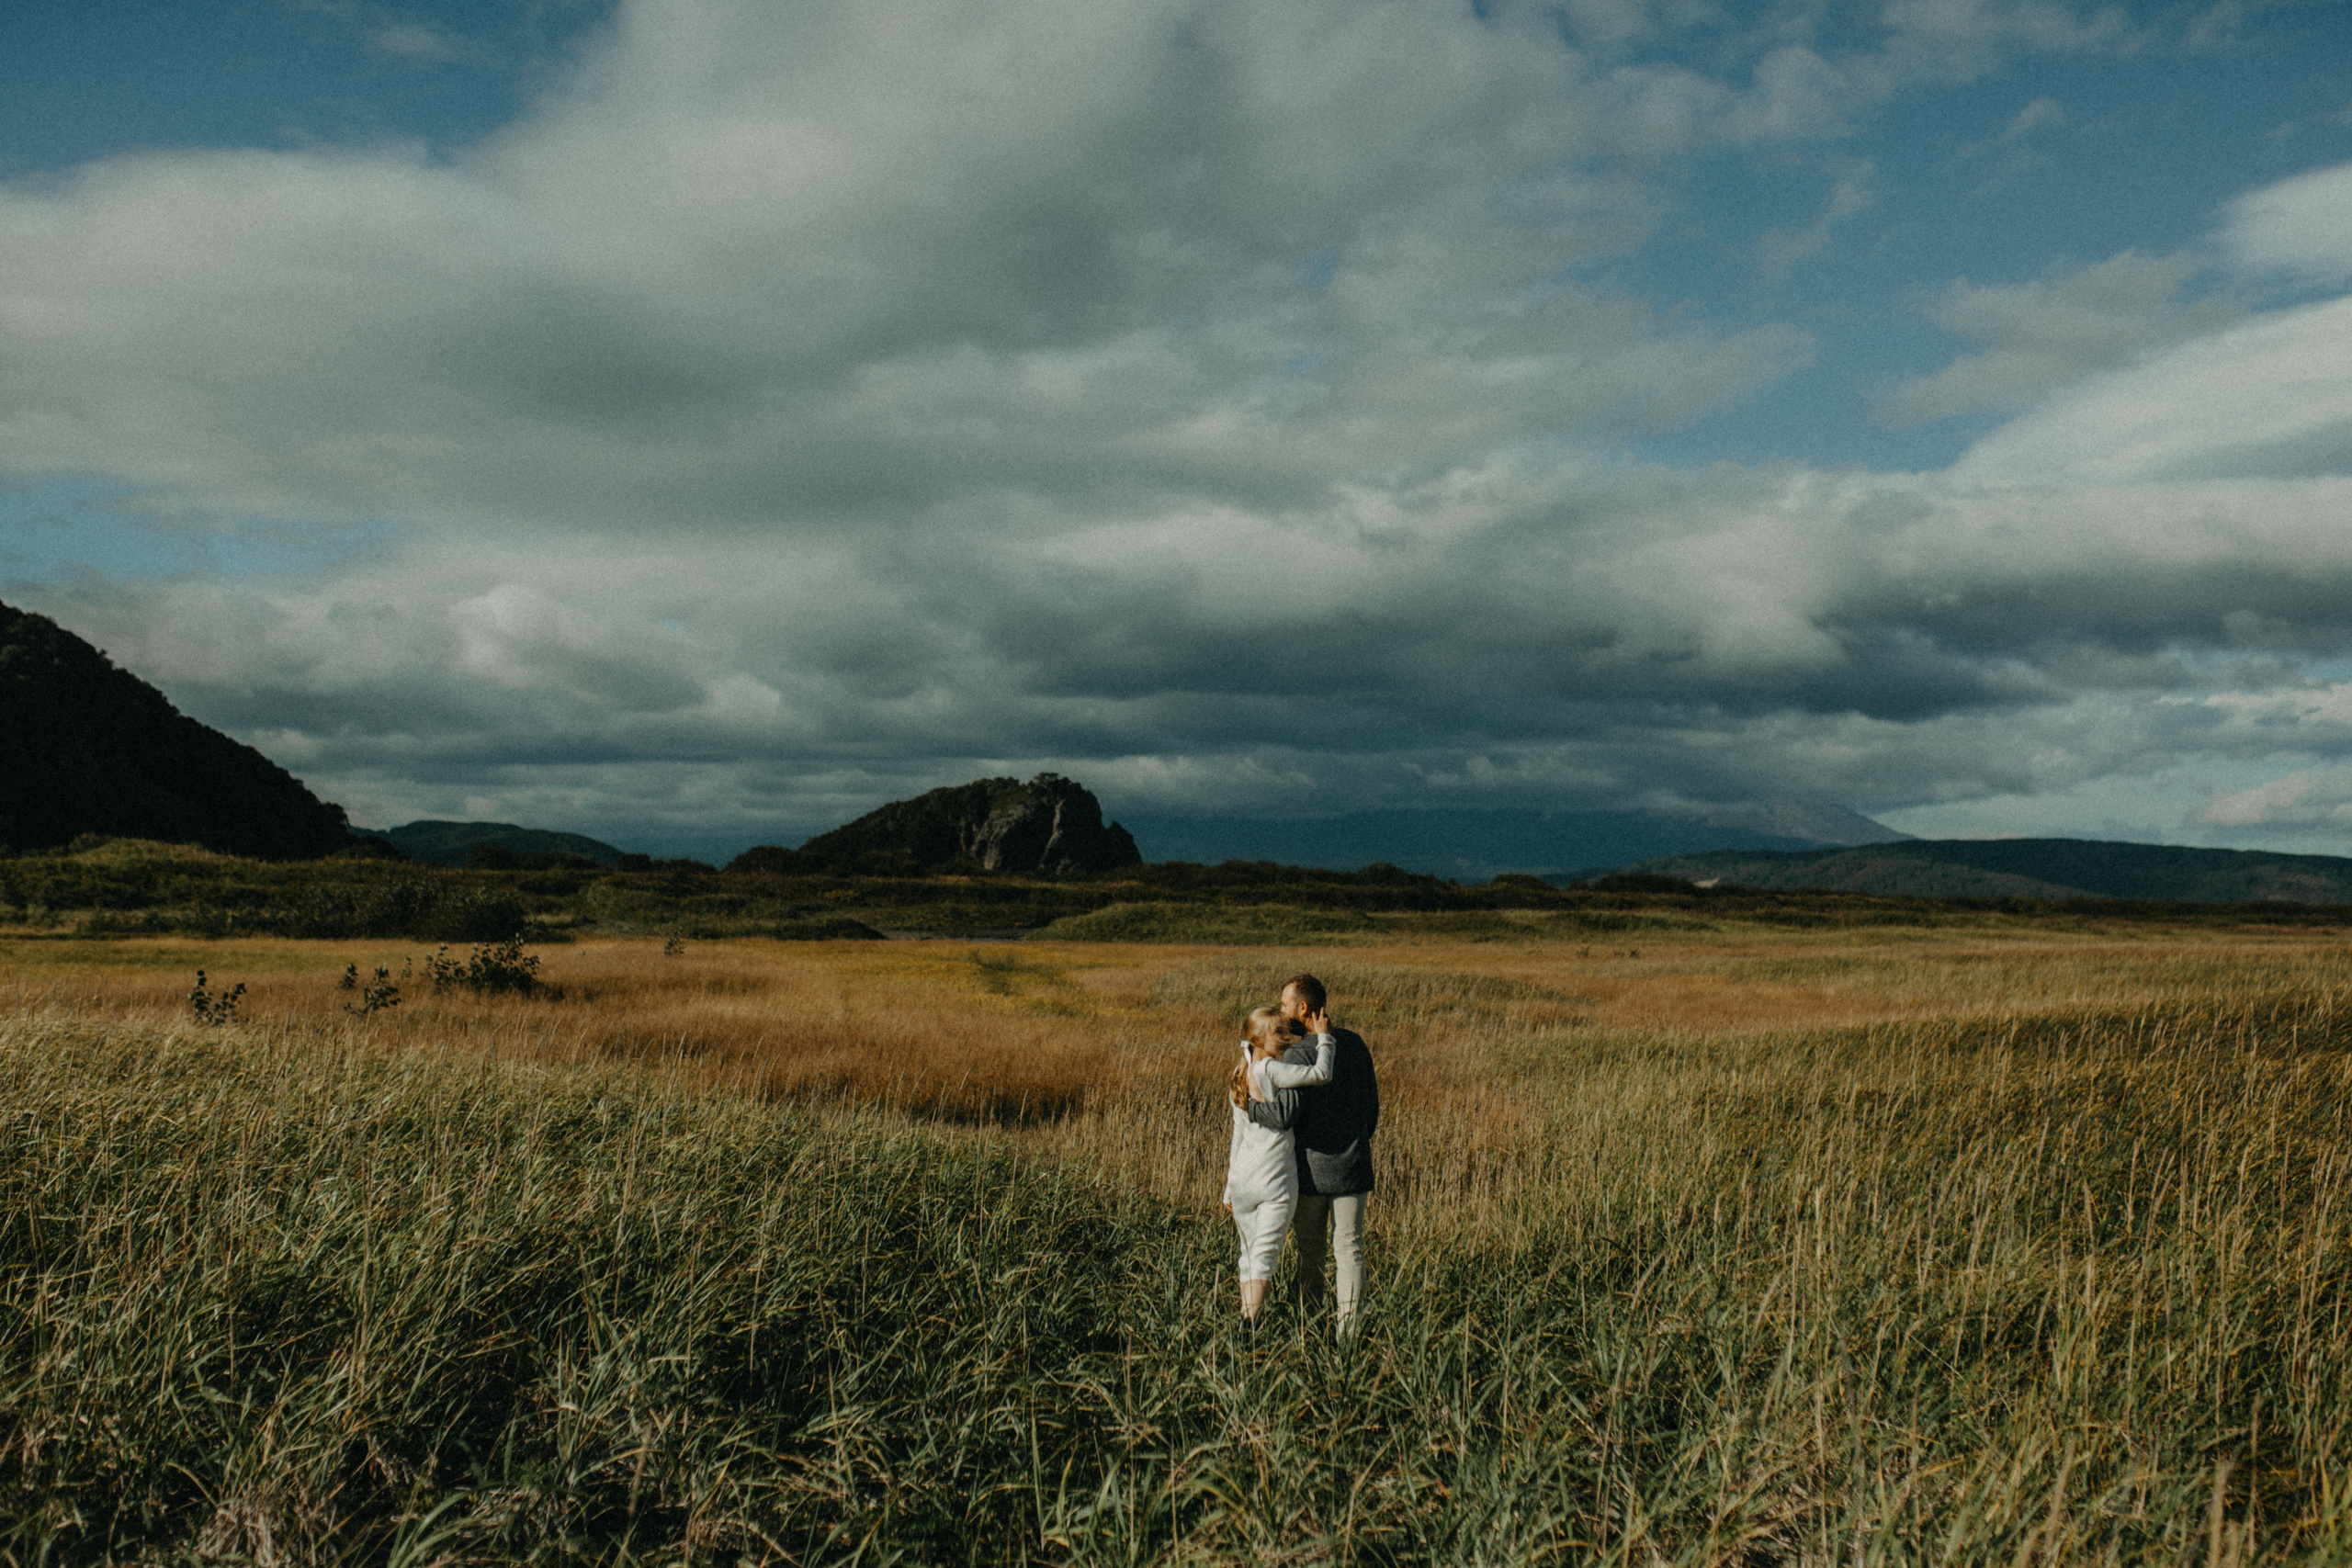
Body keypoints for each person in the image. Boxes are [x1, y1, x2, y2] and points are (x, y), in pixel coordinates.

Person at [1248, 973, 1378, 1331]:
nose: (1281, 1010)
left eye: (1285, 1003)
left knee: (1312, 1255)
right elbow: (1372, 1108)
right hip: (1353, 1166)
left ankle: (1311, 1329)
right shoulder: (1354, 1044)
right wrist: (1357, 1141)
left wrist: (1250, 1107)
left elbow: (1285, 1114)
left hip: (1309, 1171)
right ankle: (1348, 1336)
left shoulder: (1298, 1053)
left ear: (1302, 1008)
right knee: (1349, 1249)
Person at [1221, 1003, 1335, 1322]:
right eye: (1278, 1032)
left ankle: (1245, 1326)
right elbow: (1321, 1074)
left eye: (1287, 1030)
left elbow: (1238, 1133)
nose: (1287, 1038)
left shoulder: (1238, 1073)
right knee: (1265, 1259)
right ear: (1257, 1039)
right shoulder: (1271, 1069)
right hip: (1274, 1178)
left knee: (1248, 1257)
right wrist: (1324, 1039)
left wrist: (1229, 1187)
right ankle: (1248, 1328)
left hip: (1244, 1178)